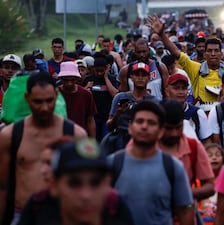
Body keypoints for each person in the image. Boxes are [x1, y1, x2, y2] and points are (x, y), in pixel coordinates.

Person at [0, 72, 87, 225]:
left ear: (57, 94)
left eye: (49, 101)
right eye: (38, 102)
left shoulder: (76, 135)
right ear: (27, 98)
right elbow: (2, 186)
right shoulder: (10, 135)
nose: (45, 108)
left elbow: (86, 185)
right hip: (23, 216)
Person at [147, 11, 224, 106]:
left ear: (221, 54)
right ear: (205, 53)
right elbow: (175, 52)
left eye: (216, 51)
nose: (213, 54)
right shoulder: (195, 68)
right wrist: (161, 34)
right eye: (210, 51)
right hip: (202, 116)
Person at [108, 100, 194, 225]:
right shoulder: (112, 164)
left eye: (151, 123)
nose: (144, 126)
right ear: (130, 128)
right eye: (139, 121)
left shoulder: (173, 167)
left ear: (160, 132)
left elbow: (185, 211)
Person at [17, 138, 134, 225]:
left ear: (108, 183)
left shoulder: (117, 209)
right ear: (54, 185)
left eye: (95, 183)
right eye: (74, 184)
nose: (86, 195)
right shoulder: (38, 206)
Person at [158, 99, 215, 224]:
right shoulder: (145, 147)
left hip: (186, 216)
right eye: (168, 128)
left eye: (178, 128)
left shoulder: (193, 147)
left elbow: (211, 186)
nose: (174, 133)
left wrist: (185, 193)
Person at [104, 62, 157, 154]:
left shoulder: (154, 101)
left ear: (149, 78)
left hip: (145, 145)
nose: (140, 78)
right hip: (121, 145)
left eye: (143, 75)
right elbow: (109, 125)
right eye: (137, 75)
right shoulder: (120, 97)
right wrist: (118, 114)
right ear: (131, 78)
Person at [166, 73, 212, 144]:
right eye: (176, 88)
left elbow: (207, 142)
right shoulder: (160, 112)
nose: (181, 92)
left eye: (184, 88)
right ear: (167, 91)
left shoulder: (198, 113)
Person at [82, 55, 119, 142]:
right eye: (97, 71)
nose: (99, 73)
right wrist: (86, 87)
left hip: (107, 116)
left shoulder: (111, 79)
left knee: (105, 141)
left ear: (106, 68)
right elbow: (81, 96)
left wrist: (106, 77)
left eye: (101, 71)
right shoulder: (88, 79)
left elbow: (115, 95)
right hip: (93, 117)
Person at [57, 61, 97, 138]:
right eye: (66, 80)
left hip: (80, 137)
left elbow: (90, 119)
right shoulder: (55, 94)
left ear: (77, 79)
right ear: (61, 79)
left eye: (72, 80)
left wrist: (92, 141)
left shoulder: (86, 94)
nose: (69, 83)